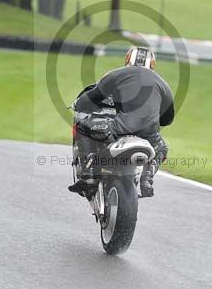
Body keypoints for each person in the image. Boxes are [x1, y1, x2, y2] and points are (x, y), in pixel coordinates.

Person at [68, 46, 174, 197]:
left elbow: (93, 98)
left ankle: (89, 176)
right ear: (152, 64)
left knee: (81, 127)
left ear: (127, 59)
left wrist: (79, 104)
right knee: (162, 148)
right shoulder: (163, 84)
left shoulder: (117, 74)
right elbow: (167, 120)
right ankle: (147, 178)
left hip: (120, 127)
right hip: (150, 134)